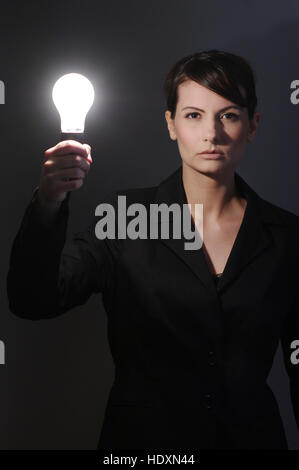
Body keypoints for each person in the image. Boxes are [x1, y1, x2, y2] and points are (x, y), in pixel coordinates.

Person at [7, 49, 299, 450]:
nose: (211, 133)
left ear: (252, 125)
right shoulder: (123, 218)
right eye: (194, 115)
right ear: (171, 125)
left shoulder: (287, 236)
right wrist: (49, 200)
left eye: (228, 115)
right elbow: (33, 300)